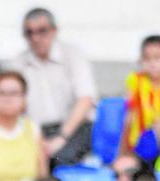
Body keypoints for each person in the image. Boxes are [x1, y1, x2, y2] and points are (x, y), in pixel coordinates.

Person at [11, 8, 96, 168]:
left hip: (75, 129)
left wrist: (61, 137)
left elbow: (85, 100)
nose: (35, 38)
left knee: (61, 160)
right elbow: (15, 108)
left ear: (54, 31)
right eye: (29, 33)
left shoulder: (73, 56)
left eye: (42, 31)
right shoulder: (18, 63)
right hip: (34, 131)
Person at [120, 35, 160, 172]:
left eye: (157, 58)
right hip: (143, 139)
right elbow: (129, 117)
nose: (152, 64)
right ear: (140, 60)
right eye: (147, 58)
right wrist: (123, 150)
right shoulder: (135, 80)